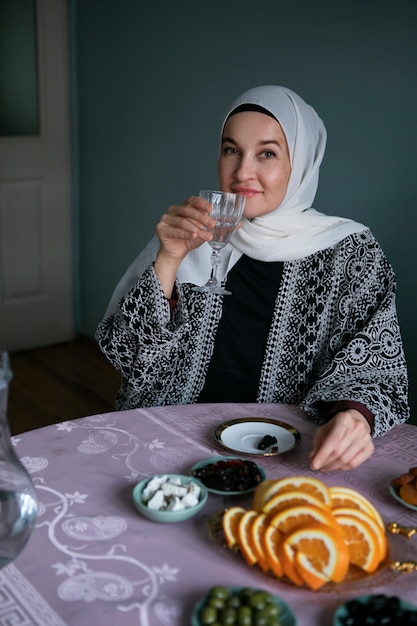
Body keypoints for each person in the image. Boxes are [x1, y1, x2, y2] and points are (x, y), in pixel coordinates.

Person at [96, 85, 409, 472]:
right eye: (231, 150)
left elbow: (376, 372)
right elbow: (130, 358)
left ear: (302, 163)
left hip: (286, 452)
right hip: (169, 440)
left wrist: (355, 416)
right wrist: (169, 259)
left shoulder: (350, 252)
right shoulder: (195, 232)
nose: (243, 172)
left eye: (267, 153)